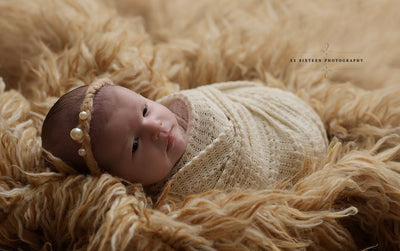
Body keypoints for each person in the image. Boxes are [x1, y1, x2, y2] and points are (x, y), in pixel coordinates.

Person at [41, 78, 328, 198]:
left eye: (144, 108)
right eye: (135, 145)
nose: (154, 126)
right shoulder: (176, 198)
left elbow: (217, 98)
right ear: (117, 180)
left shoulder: (192, 110)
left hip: (274, 123)